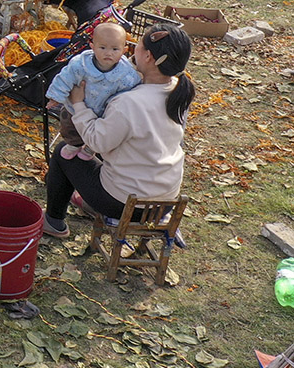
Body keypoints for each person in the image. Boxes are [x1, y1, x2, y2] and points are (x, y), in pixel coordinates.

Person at [42, 24, 195, 237]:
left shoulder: (129, 102)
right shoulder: (179, 90)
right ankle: (89, 200)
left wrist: (78, 104)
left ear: (149, 57)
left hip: (127, 205)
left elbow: (96, 142)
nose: (132, 49)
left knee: (63, 153)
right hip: (165, 202)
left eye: (137, 46)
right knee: (109, 149)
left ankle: (53, 221)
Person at [45, 22, 142, 161]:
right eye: (102, 47)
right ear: (92, 46)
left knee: (101, 133)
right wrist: (56, 96)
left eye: (115, 49)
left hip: (102, 113)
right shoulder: (80, 64)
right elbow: (65, 77)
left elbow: (131, 90)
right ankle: (74, 144)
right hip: (74, 108)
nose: (108, 53)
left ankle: (91, 149)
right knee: (69, 127)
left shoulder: (126, 74)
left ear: (124, 50)